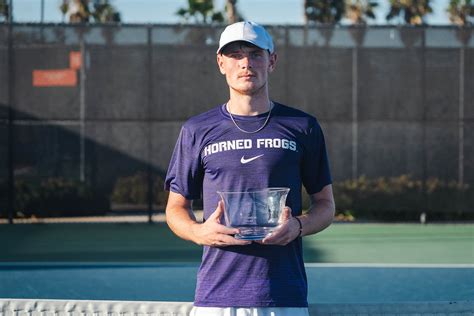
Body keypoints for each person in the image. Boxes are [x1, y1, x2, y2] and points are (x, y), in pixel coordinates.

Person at [165, 21, 335, 316]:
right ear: (221, 63)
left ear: (272, 61)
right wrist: (199, 231)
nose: (246, 63)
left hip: (283, 296)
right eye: (235, 55)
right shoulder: (196, 129)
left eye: (255, 54)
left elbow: (326, 205)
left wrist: (297, 226)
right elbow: (175, 208)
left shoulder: (303, 127)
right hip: (216, 297)